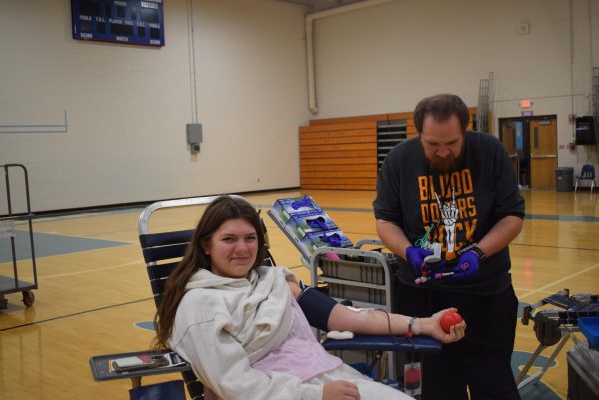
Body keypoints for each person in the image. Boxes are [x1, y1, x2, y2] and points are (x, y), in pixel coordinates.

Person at [154, 195, 466, 400]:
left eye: (250, 238)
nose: (242, 248)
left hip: (331, 380)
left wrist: (425, 324)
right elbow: (235, 384)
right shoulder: (199, 307)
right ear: (206, 245)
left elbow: (349, 317)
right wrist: (315, 395)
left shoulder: (273, 281)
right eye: (229, 239)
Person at [374, 93, 525, 400]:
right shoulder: (398, 160)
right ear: (418, 134)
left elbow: (512, 216)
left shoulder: (490, 151)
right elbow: (385, 221)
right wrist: (407, 251)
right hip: (423, 296)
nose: (443, 152)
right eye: (432, 145)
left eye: (452, 143)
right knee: (437, 388)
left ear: (465, 132)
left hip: (487, 295)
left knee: (494, 383)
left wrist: (480, 253)